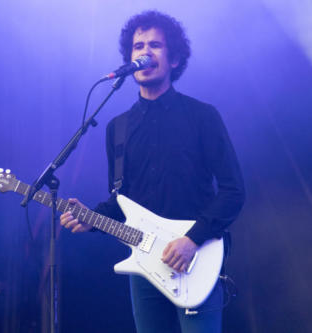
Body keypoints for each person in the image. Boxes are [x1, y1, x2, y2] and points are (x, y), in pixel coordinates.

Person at [60, 10, 245, 333]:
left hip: (197, 257)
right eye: (138, 46)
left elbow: (233, 191)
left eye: (155, 45)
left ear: (174, 59)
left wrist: (192, 240)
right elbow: (122, 201)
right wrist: (88, 217)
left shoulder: (202, 117)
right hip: (145, 268)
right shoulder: (117, 129)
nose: (144, 53)